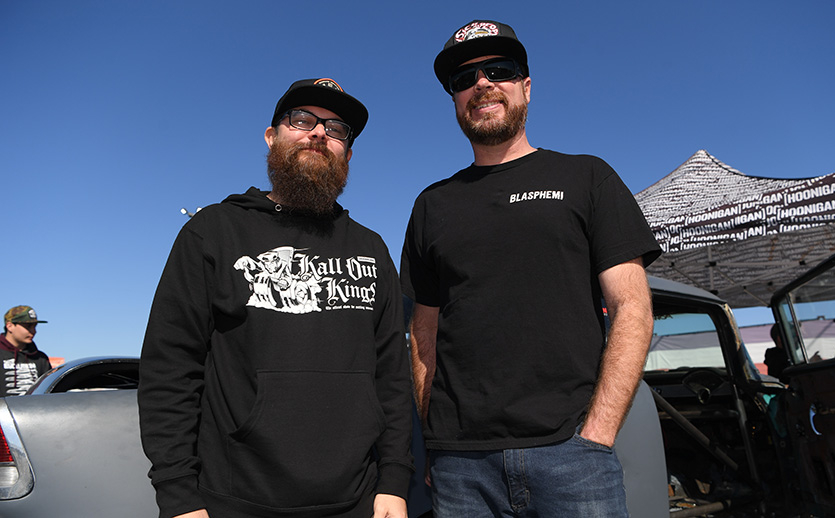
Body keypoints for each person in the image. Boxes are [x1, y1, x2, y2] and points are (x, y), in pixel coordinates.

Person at [400, 20, 662, 517]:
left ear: (525, 86)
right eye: (464, 79)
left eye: (498, 70)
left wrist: (597, 435)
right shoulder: (431, 205)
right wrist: (435, 439)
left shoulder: (587, 177)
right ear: (455, 99)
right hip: (461, 467)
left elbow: (632, 307)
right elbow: (423, 333)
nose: (482, 84)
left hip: (572, 458)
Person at [138, 78, 413, 518]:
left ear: (347, 154)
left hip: (359, 501)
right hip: (234, 502)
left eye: (337, 129)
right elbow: (170, 368)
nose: (319, 133)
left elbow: (393, 378)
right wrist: (178, 497)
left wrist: (395, 482)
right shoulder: (213, 232)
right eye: (302, 119)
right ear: (272, 136)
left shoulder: (371, 248)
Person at [1, 305, 52, 397]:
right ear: (10, 326)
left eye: (35, 326)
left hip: (35, 406)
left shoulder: (41, 358)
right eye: (28, 326)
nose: (33, 331)